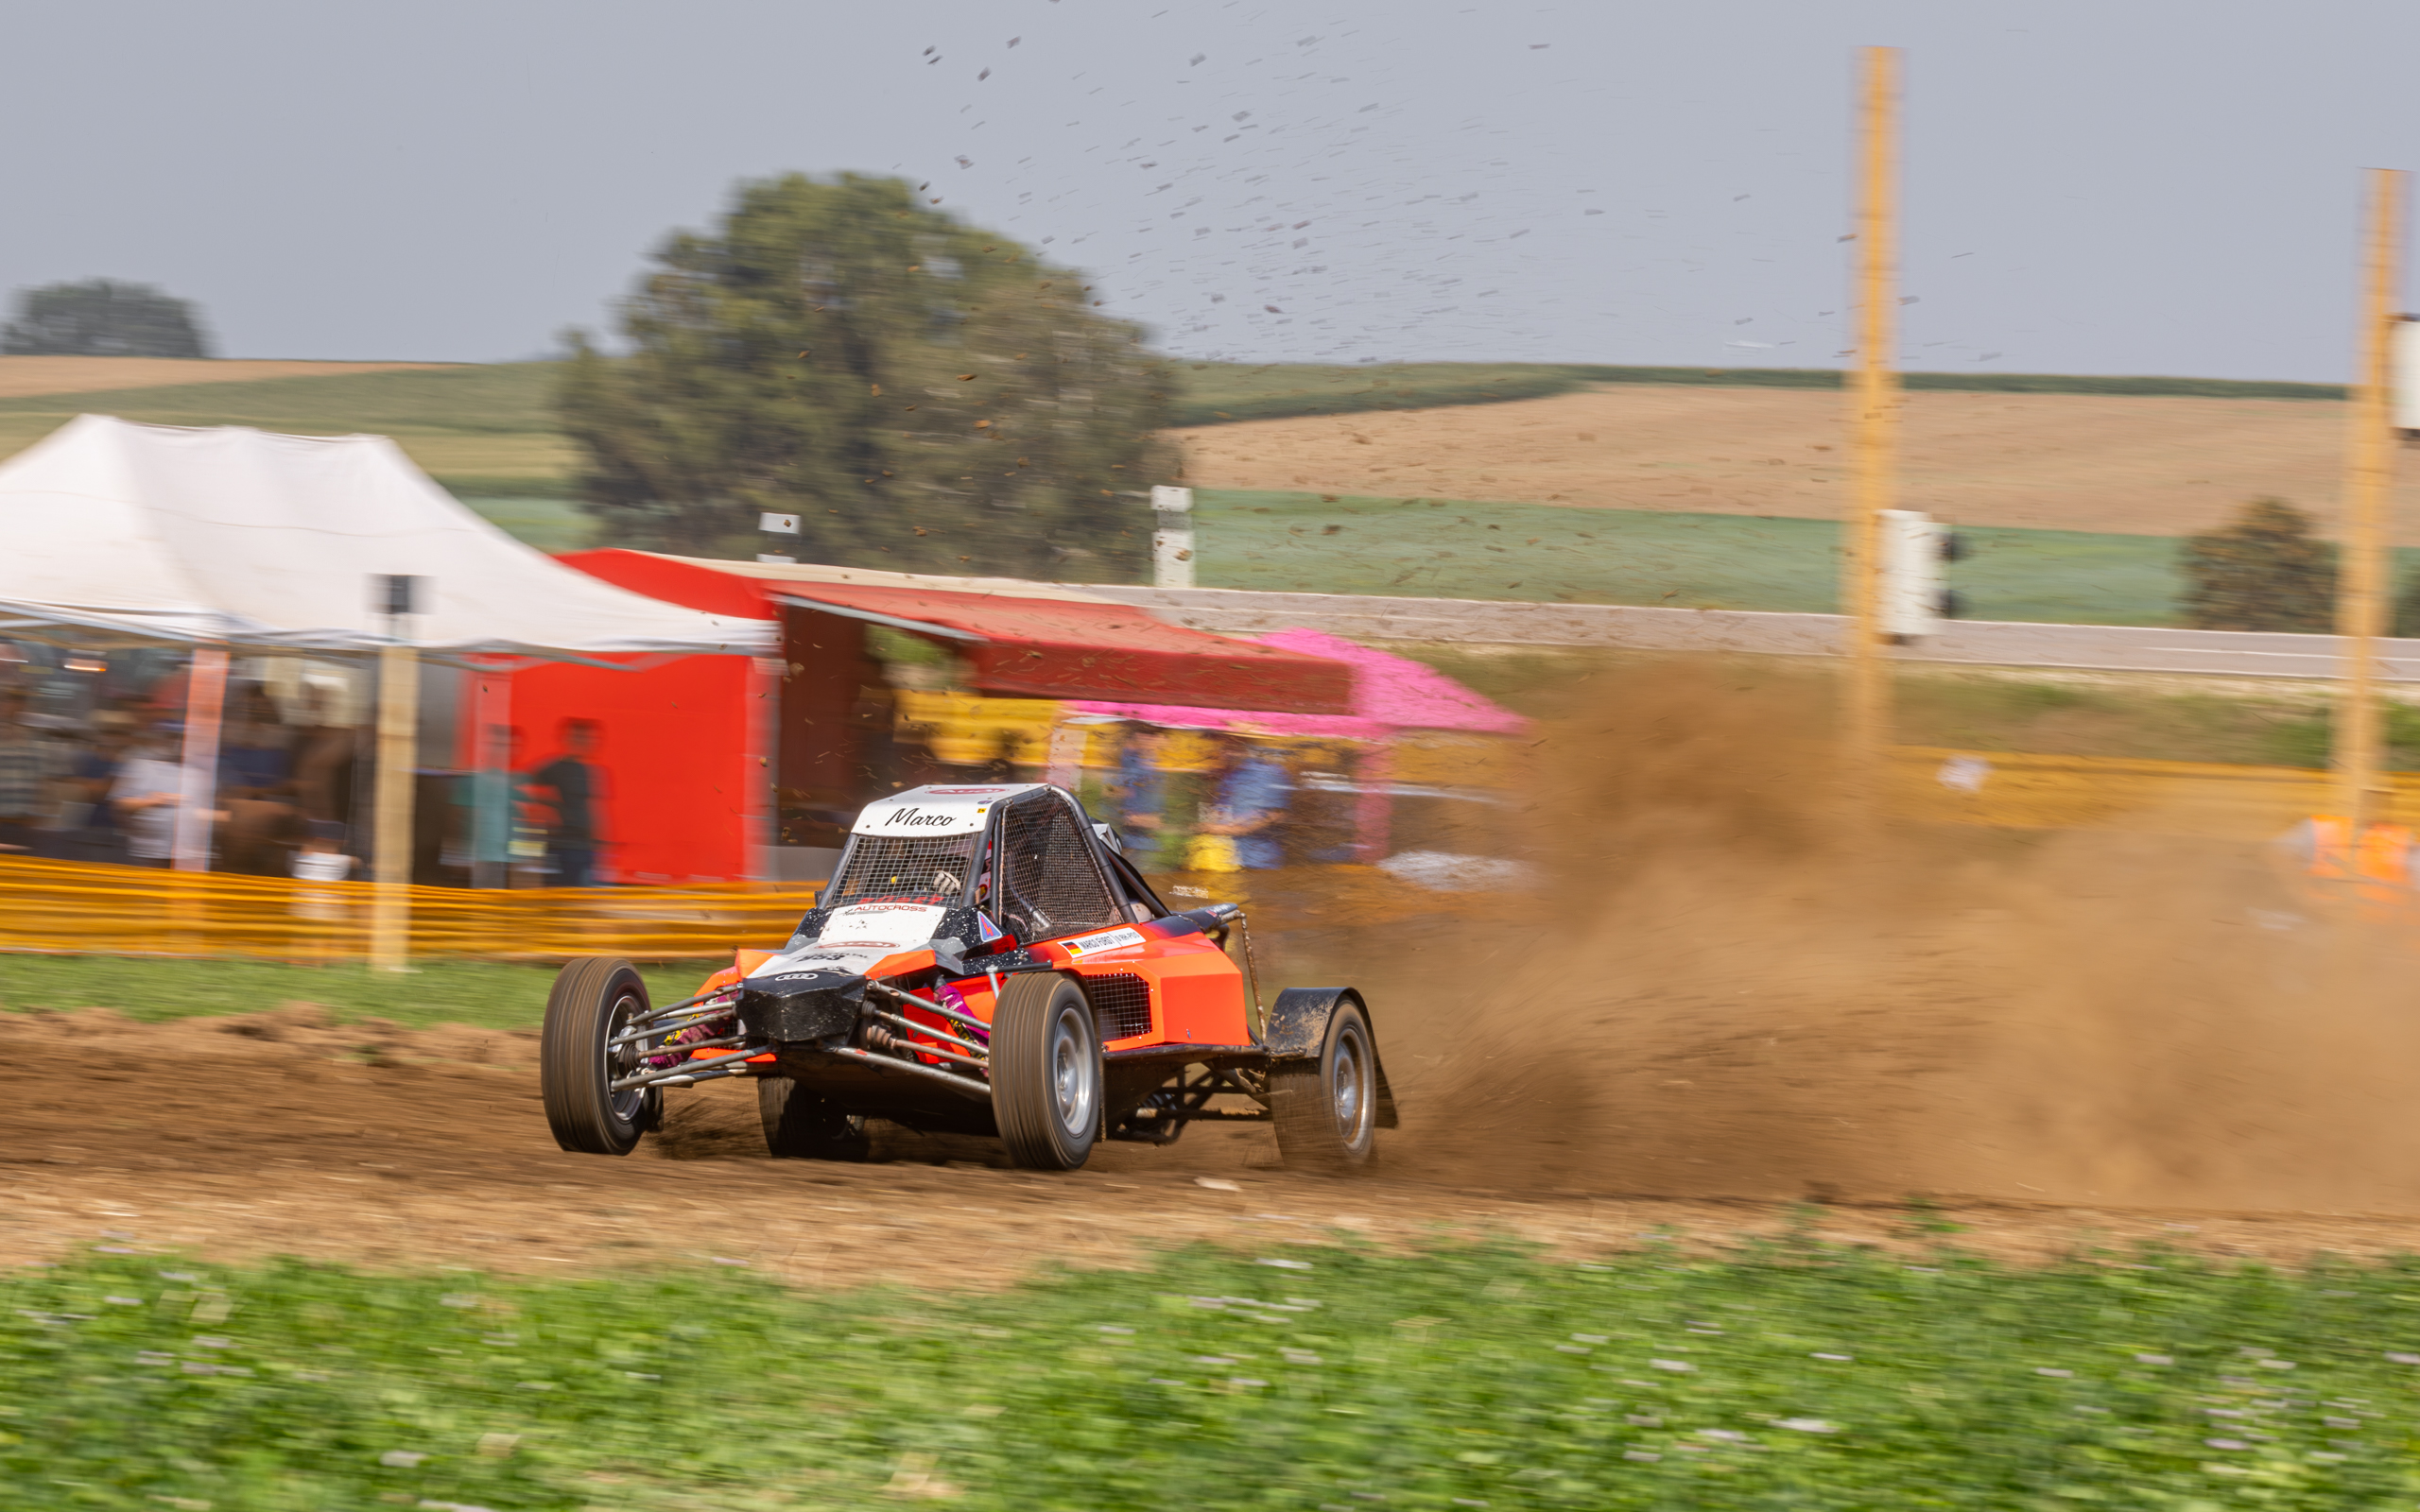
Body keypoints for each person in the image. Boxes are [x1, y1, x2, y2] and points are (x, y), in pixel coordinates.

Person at [530, 717, 610, 887]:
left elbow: (597, 809)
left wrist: (602, 845)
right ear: (569, 739)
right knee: (561, 896)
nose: (590, 743)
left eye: (592, 738)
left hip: (585, 848)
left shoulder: (594, 771)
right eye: (583, 738)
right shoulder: (552, 768)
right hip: (562, 847)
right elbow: (530, 794)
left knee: (578, 899)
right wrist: (552, 813)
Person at [1195, 734, 1293, 870]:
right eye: (1221, 747)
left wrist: (1224, 829)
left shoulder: (1268, 772)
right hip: (1224, 856)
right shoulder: (1232, 773)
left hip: (1256, 859)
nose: (1222, 751)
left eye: (1228, 747)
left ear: (1243, 746)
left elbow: (1274, 814)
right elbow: (1222, 808)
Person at [109, 728, 190, 868]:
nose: (176, 744)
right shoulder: (141, 766)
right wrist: (150, 801)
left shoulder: (197, 772)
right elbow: (120, 804)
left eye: (181, 739)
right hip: (146, 851)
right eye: (172, 738)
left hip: (186, 855)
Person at [1107, 724, 1172, 869]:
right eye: (1143, 733)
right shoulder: (1133, 764)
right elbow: (1112, 792)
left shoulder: (1153, 771)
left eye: (1153, 735)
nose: (1146, 738)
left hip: (1141, 844)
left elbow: (1157, 819)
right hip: (1127, 840)